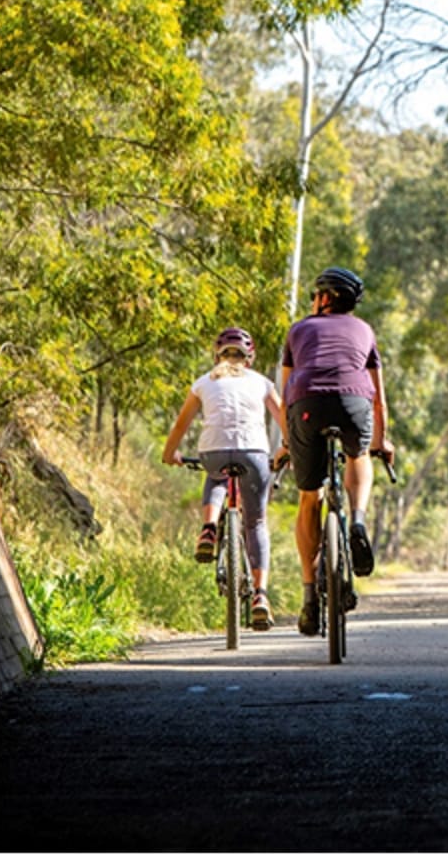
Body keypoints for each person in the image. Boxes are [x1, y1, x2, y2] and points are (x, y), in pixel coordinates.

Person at [279, 266, 393, 638]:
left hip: (307, 404)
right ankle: (357, 519)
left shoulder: (299, 330)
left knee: (308, 497)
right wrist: (382, 440)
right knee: (358, 455)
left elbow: (286, 394)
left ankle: (310, 598)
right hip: (353, 401)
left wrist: (286, 443)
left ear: (324, 298)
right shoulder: (364, 330)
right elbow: (379, 397)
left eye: (315, 295)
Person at [160, 327, 287, 631]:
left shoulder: (204, 382)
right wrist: (287, 450)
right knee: (255, 523)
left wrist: (170, 453)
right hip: (254, 453)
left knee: (216, 477)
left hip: (214, 452)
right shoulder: (262, 383)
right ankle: (260, 596)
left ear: (217, 355)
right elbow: (285, 419)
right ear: (250, 357)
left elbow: (181, 425)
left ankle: (207, 530)